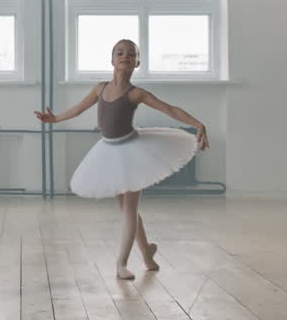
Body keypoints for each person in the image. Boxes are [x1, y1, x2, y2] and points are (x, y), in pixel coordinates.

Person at [35, 39, 208, 280]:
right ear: (112, 59)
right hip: (109, 152)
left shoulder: (136, 93)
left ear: (137, 62)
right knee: (127, 210)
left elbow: (170, 109)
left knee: (129, 210)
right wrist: (55, 119)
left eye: (131, 54)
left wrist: (197, 123)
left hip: (133, 151)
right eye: (120, 52)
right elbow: (78, 108)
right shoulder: (100, 88)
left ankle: (121, 264)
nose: (125, 56)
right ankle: (147, 253)